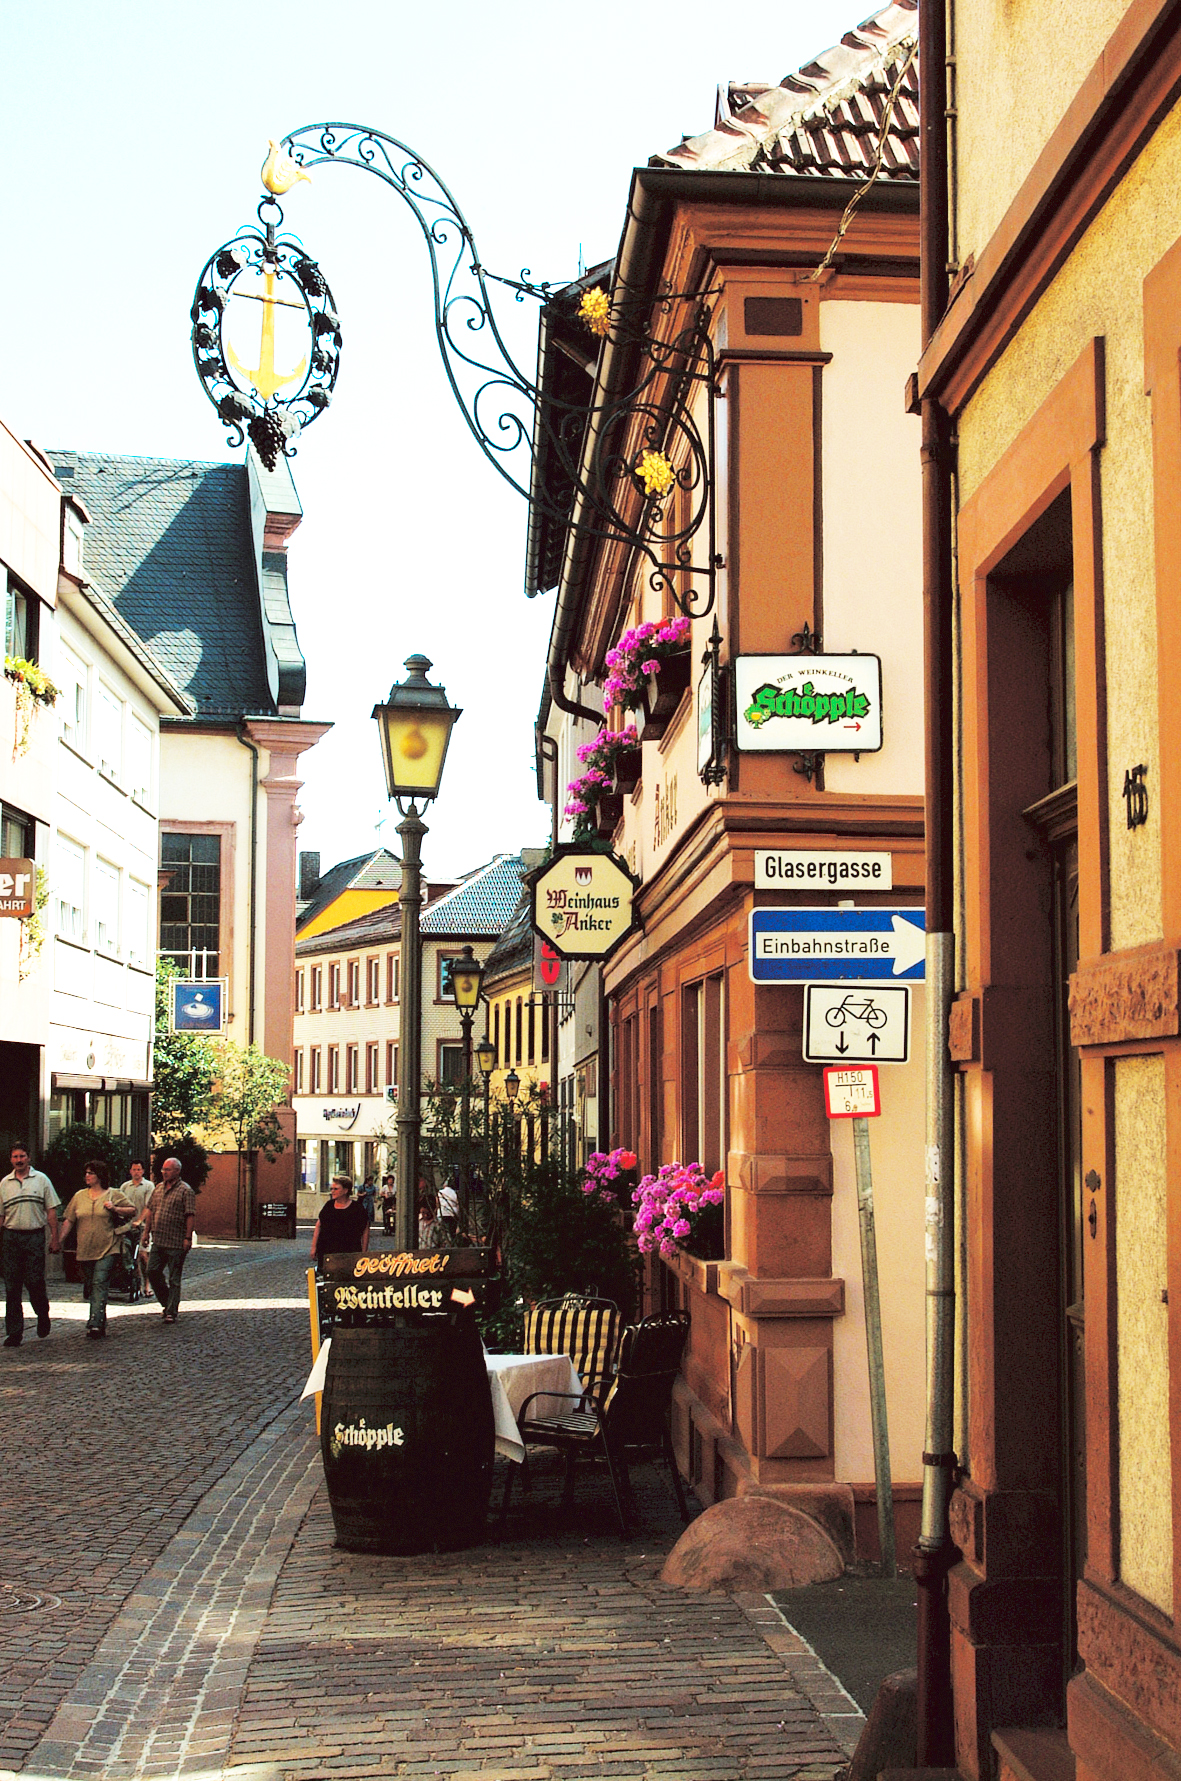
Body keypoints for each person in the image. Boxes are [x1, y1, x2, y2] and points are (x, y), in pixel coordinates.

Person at [57, 1162, 134, 1339]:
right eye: (86, 1173)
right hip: (86, 1248)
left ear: (100, 1175)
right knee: (92, 1285)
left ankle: (95, 1324)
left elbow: (132, 1210)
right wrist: (58, 1241)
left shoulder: (113, 1194)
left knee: (100, 1282)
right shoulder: (79, 1196)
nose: (87, 1176)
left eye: (91, 1173)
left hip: (108, 1246)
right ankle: (100, 1319)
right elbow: (69, 1220)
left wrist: (115, 1208)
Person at [0, 1145, 61, 1347]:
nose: (19, 1160)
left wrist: (54, 1238)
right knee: (12, 1286)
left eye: (22, 1156)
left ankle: (42, 1314)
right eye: (15, 1157)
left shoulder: (41, 1180)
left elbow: (51, 1211)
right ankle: (14, 1332)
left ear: (29, 1158)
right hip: (11, 1237)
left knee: (35, 1281)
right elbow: (1, 1216)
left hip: (34, 1236)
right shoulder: (4, 1184)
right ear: (11, 1159)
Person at [140, 1157, 197, 1325]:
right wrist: (146, 1233)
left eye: (168, 1169)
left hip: (176, 1242)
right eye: (163, 1169)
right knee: (152, 1271)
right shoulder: (158, 1188)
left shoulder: (186, 1191)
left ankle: (171, 1311)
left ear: (177, 1171)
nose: (164, 1172)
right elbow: (150, 1211)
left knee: (174, 1278)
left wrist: (188, 1238)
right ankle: (167, 1302)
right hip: (158, 1240)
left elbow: (190, 1215)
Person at [310, 1175, 370, 1271]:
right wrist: (314, 1247)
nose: (332, 1191)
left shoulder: (357, 1208)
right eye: (331, 1189)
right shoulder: (329, 1206)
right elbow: (318, 1225)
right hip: (327, 1251)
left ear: (345, 1190)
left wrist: (363, 1253)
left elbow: (365, 1230)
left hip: (349, 1252)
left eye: (336, 1189)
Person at [119, 1160, 153, 1296]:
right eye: (134, 1169)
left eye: (139, 1169)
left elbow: (148, 1206)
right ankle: (136, 1283)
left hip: (143, 1227)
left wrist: (139, 1220)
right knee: (131, 1256)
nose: (136, 1172)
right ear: (130, 1171)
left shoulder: (148, 1186)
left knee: (143, 1255)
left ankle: (147, 1284)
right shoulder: (125, 1186)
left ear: (143, 1171)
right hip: (127, 1226)